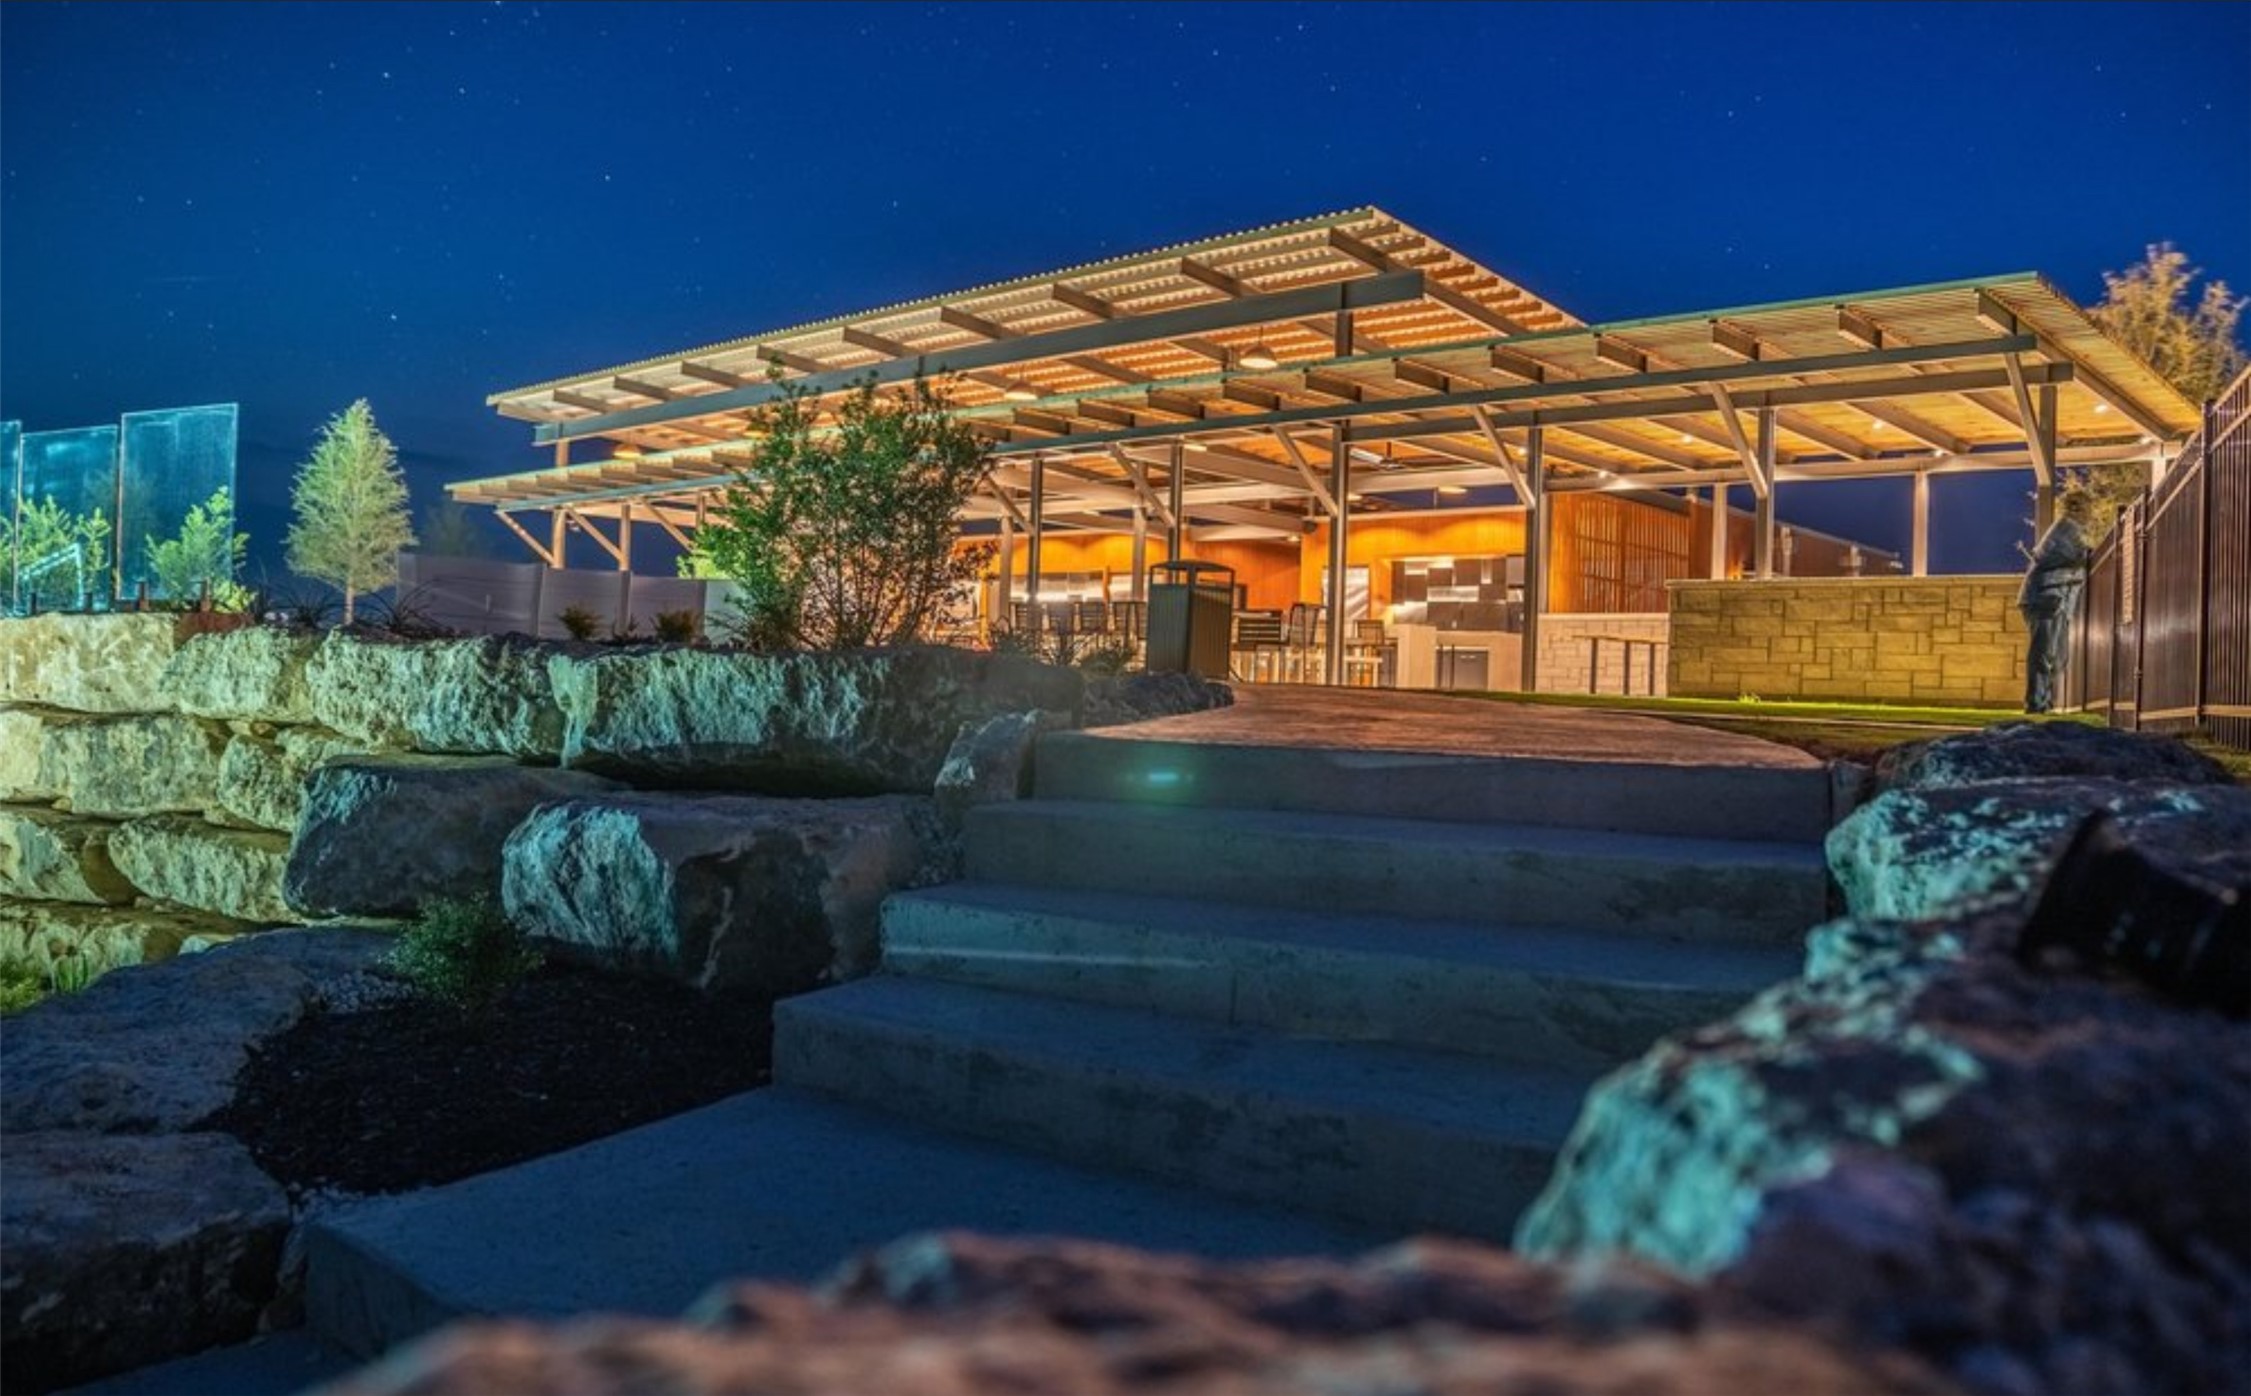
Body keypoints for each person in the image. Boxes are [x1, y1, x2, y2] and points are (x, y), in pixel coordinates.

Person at [2017, 492, 2100, 714]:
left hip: (2053, 599)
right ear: (2080, 508)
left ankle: (2045, 702)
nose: (2091, 513)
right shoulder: (2067, 529)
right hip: (2046, 598)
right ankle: (2035, 704)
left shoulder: (2068, 529)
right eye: (2088, 507)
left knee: (2058, 655)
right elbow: (2082, 558)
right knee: (2044, 653)